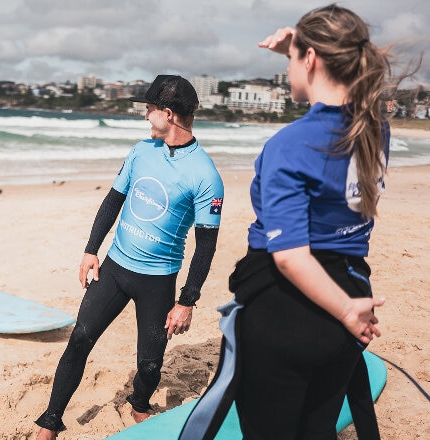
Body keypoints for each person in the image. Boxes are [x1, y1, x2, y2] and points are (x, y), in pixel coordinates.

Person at [179, 4, 392, 440]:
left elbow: (291, 256)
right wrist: (349, 309)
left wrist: (347, 312)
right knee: (316, 428)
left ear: (311, 58)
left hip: (289, 311)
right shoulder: (375, 128)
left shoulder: (290, 145)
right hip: (351, 289)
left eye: (296, 58)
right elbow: (333, 96)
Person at [35, 74, 225, 439]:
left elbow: (206, 246)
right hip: (116, 268)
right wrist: (91, 250)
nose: (145, 117)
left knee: (150, 363)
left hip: (157, 281)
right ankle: (50, 421)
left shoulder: (205, 175)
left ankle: (139, 404)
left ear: (167, 114)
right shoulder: (141, 151)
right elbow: (112, 202)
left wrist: (186, 301)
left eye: (149, 110)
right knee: (79, 340)